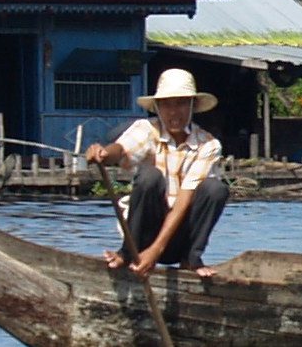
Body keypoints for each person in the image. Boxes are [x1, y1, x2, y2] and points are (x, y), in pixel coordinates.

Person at [86, 68, 231, 278]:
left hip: (180, 237)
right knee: (150, 176)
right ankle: (127, 252)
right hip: (143, 235)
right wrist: (103, 153)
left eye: (181, 103)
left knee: (216, 189)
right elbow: (122, 149)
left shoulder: (208, 144)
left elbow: (184, 199)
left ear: (192, 106)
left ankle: (191, 260)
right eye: (167, 104)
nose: (174, 112)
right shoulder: (146, 129)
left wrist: (156, 251)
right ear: (157, 107)